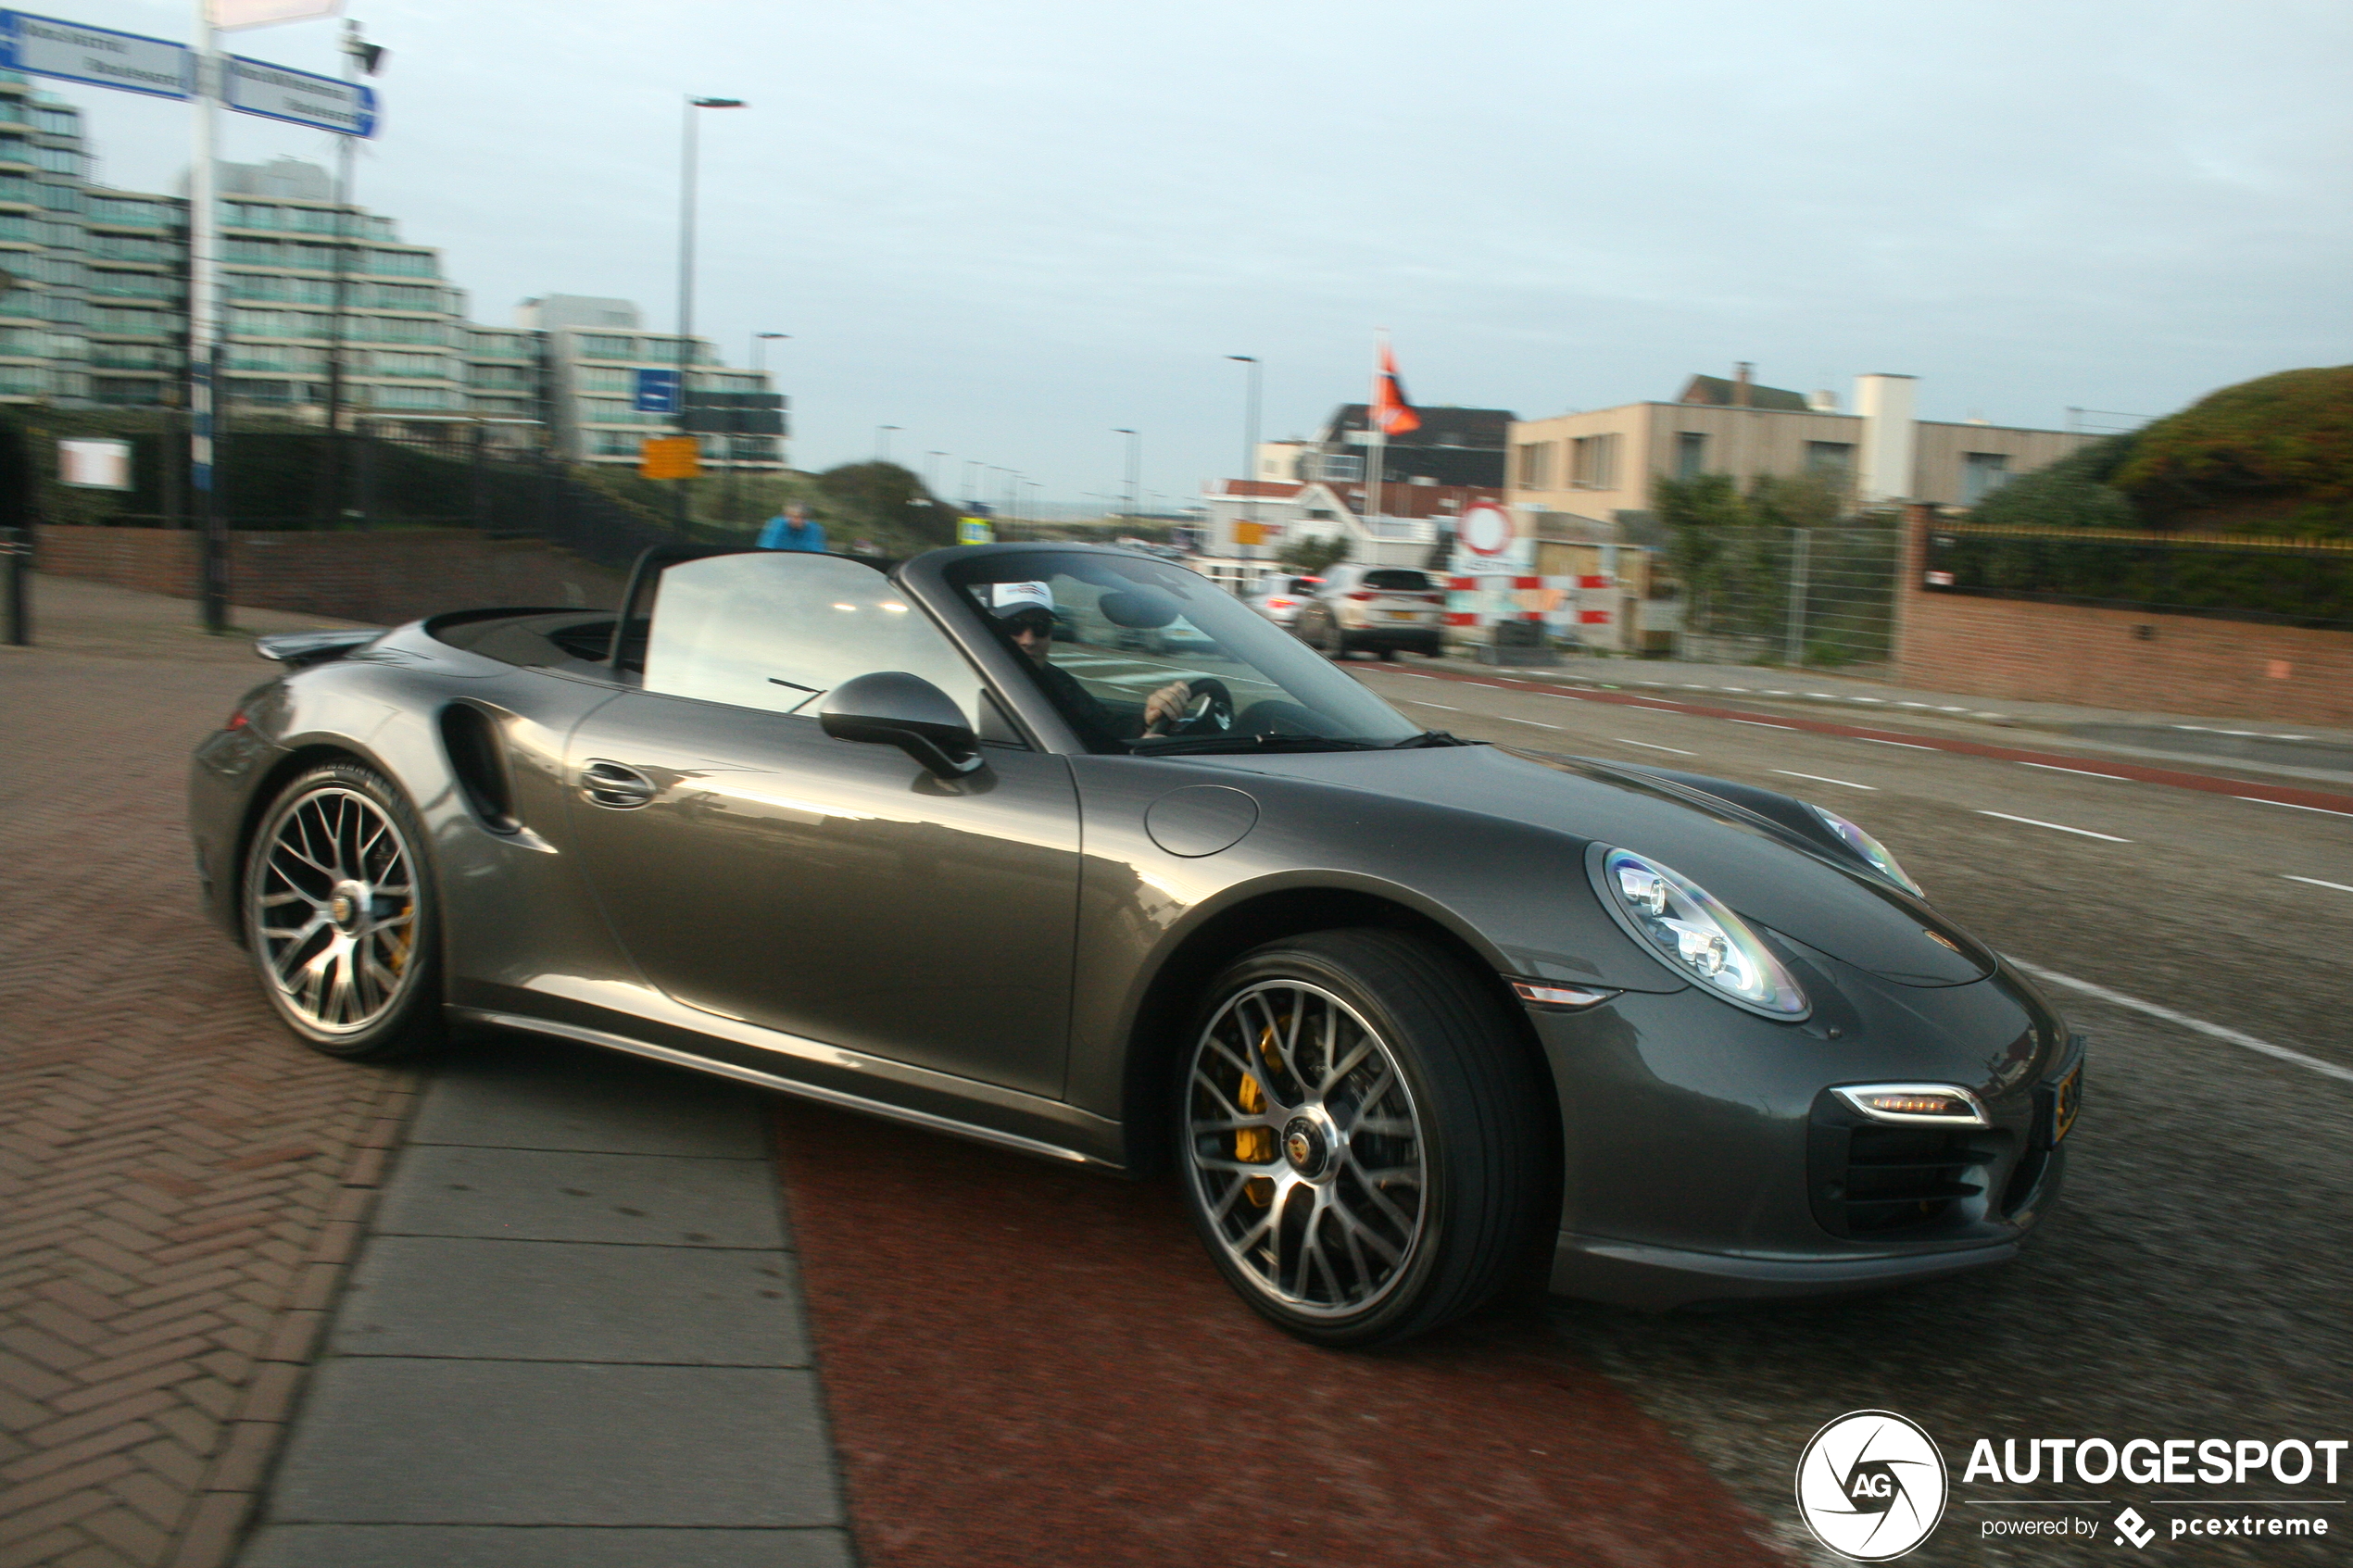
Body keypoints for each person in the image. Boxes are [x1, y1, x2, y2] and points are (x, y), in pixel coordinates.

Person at [985, 583, 1192, 742]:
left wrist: (1148, 720)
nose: (1028, 640)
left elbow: (1103, 725)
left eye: (1040, 627)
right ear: (986, 629)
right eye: (1014, 625)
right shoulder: (971, 686)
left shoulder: (1056, 681)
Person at [757, 503, 825, 552]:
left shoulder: (813, 529)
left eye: (803, 517)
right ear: (785, 516)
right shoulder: (777, 525)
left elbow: (817, 552)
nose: (798, 520)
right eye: (794, 517)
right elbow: (769, 549)